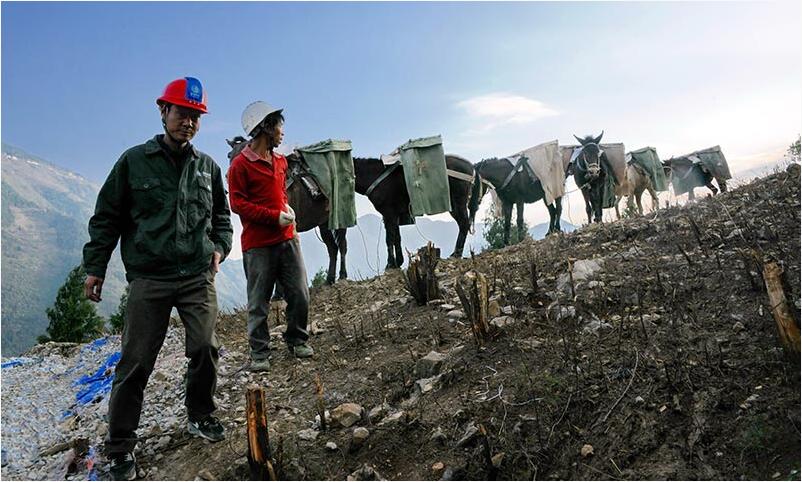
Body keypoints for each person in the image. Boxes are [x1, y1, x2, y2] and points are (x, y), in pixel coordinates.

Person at [82, 77, 233, 480]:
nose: (189, 122)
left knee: (205, 347)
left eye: (196, 116)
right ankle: (120, 447)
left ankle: (200, 414)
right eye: (182, 113)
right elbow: (107, 217)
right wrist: (96, 267)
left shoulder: (208, 168)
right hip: (149, 278)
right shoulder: (133, 162)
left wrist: (220, 247)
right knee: (135, 363)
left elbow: (222, 217)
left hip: (197, 275)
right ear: (164, 111)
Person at [227, 101, 313, 372]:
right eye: (278, 126)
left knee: (299, 292)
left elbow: (280, 193)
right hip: (258, 244)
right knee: (259, 301)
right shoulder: (240, 166)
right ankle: (259, 352)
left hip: (288, 238)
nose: (282, 132)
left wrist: (285, 208)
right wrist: (272, 217)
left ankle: (297, 339)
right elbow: (238, 204)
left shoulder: (280, 161)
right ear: (265, 127)